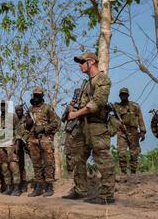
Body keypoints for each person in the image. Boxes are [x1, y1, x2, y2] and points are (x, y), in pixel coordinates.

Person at [62, 52, 115, 204]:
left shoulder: (102, 79)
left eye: (82, 62)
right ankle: (81, 190)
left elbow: (98, 102)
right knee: (77, 157)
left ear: (91, 62)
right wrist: (71, 111)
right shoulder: (86, 83)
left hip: (97, 126)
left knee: (103, 159)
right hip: (82, 126)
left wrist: (76, 114)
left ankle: (106, 195)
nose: (79, 65)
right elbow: (81, 102)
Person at [25, 87, 60, 197]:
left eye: (38, 95)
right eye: (34, 95)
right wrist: (28, 123)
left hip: (45, 140)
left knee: (48, 163)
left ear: (42, 96)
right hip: (33, 140)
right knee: (36, 164)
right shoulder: (30, 109)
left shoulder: (47, 108)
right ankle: (39, 187)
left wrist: (44, 128)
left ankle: (49, 187)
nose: (36, 97)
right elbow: (23, 127)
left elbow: (57, 122)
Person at [113, 88, 146, 174]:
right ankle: (124, 173)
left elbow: (140, 118)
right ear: (119, 96)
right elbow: (113, 119)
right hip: (121, 132)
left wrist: (142, 131)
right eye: (122, 94)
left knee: (134, 154)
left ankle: (133, 173)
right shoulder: (116, 106)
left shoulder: (135, 105)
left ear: (128, 95)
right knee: (121, 154)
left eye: (125, 94)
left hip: (134, 132)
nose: (123, 96)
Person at [0, 100, 22, 196]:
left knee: (13, 165)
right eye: (1, 106)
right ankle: (9, 187)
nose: (2, 108)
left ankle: (17, 188)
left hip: (11, 144)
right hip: (1, 146)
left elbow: (19, 129)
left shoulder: (13, 116)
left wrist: (17, 143)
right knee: (4, 167)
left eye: (4, 106)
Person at [15, 105, 29, 192]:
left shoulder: (26, 118)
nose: (18, 112)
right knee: (19, 164)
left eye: (20, 110)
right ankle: (21, 183)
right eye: (17, 110)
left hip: (27, 142)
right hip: (17, 144)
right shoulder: (14, 120)